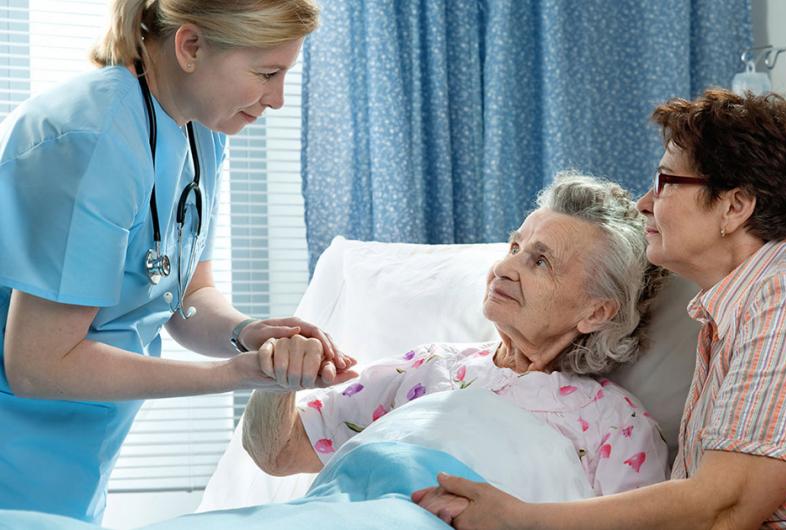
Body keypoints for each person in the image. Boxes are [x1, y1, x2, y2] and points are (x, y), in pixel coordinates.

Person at [0, 0, 356, 523]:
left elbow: (184, 294)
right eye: (266, 73)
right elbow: (37, 365)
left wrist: (249, 333)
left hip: (74, 459)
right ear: (190, 46)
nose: (278, 99)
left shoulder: (199, 127)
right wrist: (235, 376)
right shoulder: (93, 140)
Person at [414, 89, 786, 529]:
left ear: (735, 206)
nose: (644, 204)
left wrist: (519, 519)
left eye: (666, 183)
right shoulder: (735, 305)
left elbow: (727, 507)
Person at [242, 173, 670, 501]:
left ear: (595, 311)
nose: (506, 268)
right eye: (515, 247)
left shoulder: (616, 424)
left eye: (540, 262)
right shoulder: (431, 368)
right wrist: (278, 377)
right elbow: (278, 453)